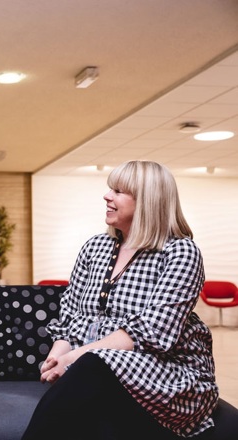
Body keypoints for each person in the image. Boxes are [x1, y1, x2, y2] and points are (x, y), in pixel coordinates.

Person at [21, 160, 218, 440]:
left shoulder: (180, 252)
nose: (107, 196)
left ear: (149, 201)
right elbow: (71, 311)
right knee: (91, 371)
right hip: (99, 371)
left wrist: (76, 357)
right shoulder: (95, 247)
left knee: (93, 363)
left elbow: (156, 331)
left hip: (168, 375)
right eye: (109, 189)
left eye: (119, 191)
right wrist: (58, 354)